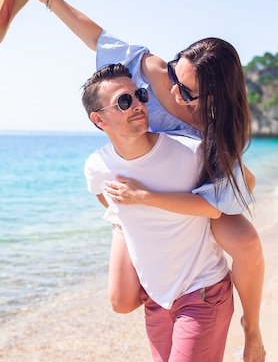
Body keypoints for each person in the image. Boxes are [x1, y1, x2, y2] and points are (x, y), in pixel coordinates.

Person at [0, 0, 265, 362]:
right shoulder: (152, 70)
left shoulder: (217, 129)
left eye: (188, 92)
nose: (173, 91)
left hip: (200, 188)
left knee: (245, 242)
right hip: (148, 181)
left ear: (214, 97)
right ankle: (142, 248)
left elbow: (221, 197)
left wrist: (148, 196)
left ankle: (250, 327)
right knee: (122, 300)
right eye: (176, 74)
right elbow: (96, 36)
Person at [82, 62, 235, 362]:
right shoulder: (97, 166)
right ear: (99, 120)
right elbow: (108, 203)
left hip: (202, 291)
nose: (137, 104)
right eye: (124, 102)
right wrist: (122, 222)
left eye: (139, 95)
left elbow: (219, 206)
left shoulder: (191, 152)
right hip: (157, 299)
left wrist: (144, 197)